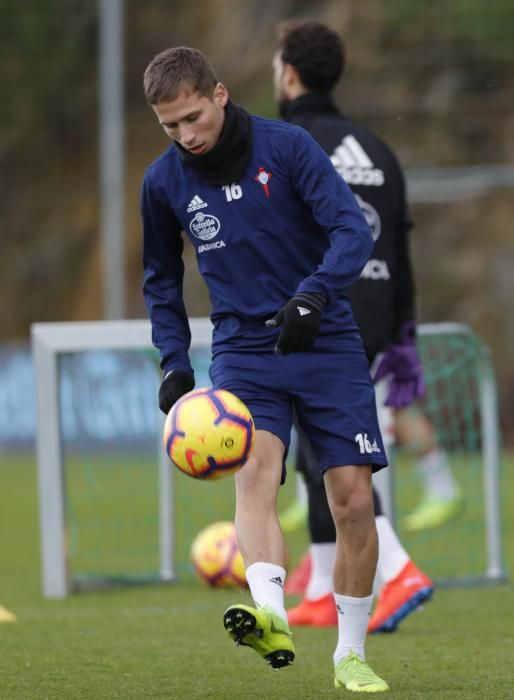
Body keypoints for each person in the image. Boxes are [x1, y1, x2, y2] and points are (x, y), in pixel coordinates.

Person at [142, 46, 390, 692]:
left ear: (220, 95)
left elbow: (352, 233)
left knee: (354, 501)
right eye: (171, 127)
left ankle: (351, 654)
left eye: (194, 118)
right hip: (243, 351)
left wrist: (314, 293)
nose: (186, 137)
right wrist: (173, 363)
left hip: (326, 337)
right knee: (255, 472)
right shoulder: (162, 183)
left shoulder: (289, 148)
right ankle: (271, 616)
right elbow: (161, 282)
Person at [272, 19, 434, 633]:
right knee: (322, 455)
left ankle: (399, 569)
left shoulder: (285, 142)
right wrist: (404, 331)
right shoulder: (378, 149)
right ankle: (319, 583)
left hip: (322, 310)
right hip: (378, 312)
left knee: (332, 455)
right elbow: (400, 243)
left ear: (288, 72)